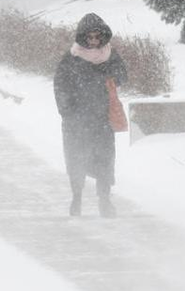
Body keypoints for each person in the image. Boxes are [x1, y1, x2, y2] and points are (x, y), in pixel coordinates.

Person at [53, 13, 128, 218]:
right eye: (90, 37)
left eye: (97, 37)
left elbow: (123, 75)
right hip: (76, 120)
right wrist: (67, 111)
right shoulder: (71, 58)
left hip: (102, 119)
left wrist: (108, 73)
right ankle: (76, 197)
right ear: (82, 37)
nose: (94, 41)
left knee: (104, 159)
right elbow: (60, 86)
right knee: (76, 159)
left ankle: (104, 199)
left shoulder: (110, 55)